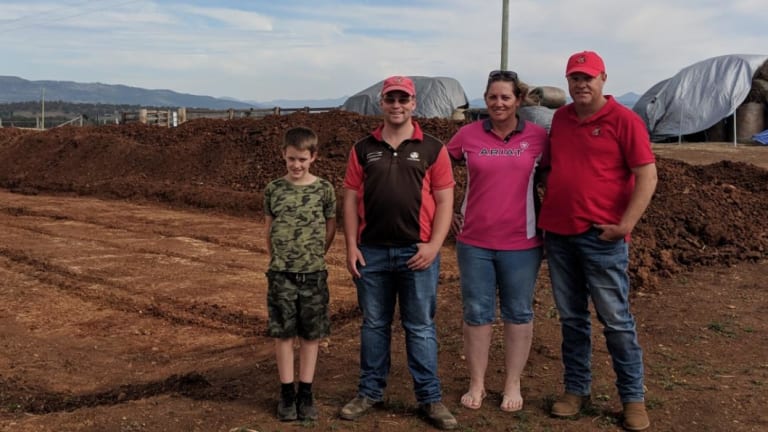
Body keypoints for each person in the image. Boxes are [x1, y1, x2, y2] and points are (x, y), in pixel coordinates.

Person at [538, 51, 657, 431]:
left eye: (588, 77)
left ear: (603, 78)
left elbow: (647, 176)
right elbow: (554, 167)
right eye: (574, 78)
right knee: (572, 319)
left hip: (601, 237)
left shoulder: (625, 121)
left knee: (616, 320)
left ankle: (633, 399)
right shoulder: (560, 118)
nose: (581, 84)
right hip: (559, 234)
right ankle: (576, 390)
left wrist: (625, 225)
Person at [339, 76, 458, 430]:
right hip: (371, 253)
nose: (396, 105)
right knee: (374, 325)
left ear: (413, 103)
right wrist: (350, 246)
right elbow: (348, 198)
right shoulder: (363, 148)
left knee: (420, 326)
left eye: (402, 99)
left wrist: (434, 246)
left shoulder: (434, 148)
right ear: (382, 103)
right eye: (390, 99)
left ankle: (430, 398)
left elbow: (445, 200)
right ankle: (369, 392)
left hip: (416, 253)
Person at [447, 69, 549, 413]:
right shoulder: (467, 135)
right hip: (474, 241)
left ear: (518, 100)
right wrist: (445, 213)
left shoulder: (538, 138)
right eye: (492, 97)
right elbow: (438, 173)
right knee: (477, 313)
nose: (499, 103)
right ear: (485, 99)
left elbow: (556, 177)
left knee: (518, 312)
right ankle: (477, 382)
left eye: (506, 97)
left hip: (522, 243)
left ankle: (512, 383)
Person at [263, 126, 337, 422]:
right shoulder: (274, 189)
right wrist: (277, 259)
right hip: (281, 274)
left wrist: (317, 255)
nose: (296, 165)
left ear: (313, 157)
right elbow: (269, 228)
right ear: (283, 155)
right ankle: (286, 393)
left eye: (302, 160)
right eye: (292, 159)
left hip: (313, 274)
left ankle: (305, 392)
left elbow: (331, 227)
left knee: (311, 334)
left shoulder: (324, 189)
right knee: (283, 333)